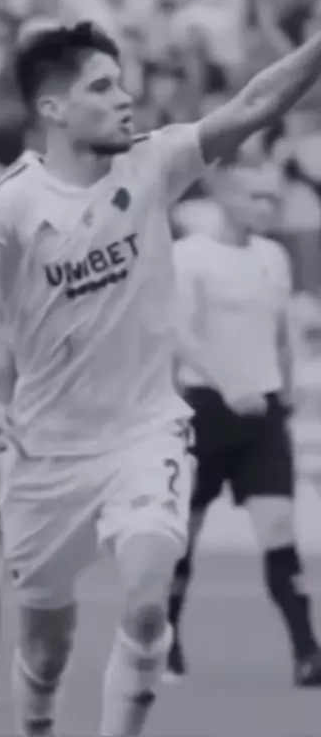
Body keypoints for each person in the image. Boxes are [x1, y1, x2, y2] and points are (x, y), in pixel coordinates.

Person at [0, 20, 321, 736]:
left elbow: (256, 104)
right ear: (54, 108)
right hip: (46, 453)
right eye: (103, 87)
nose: (125, 98)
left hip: (145, 433)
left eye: (123, 82)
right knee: (46, 650)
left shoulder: (154, 161)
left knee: (146, 600)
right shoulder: (11, 204)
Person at [165, 155, 321, 687]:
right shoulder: (192, 256)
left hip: (262, 412)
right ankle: (165, 640)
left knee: (278, 529)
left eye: (272, 197)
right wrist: (227, 384)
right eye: (256, 196)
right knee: (184, 533)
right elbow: (179, 334)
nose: (266, 207)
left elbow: (279, 331)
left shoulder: (273, 257)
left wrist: (285, 389)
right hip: (207, 409)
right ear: (225, 196)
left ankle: (307, 651)